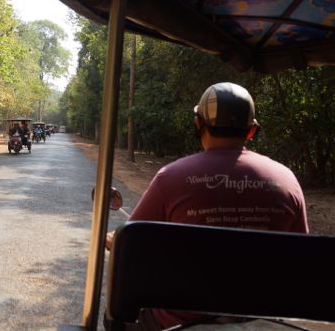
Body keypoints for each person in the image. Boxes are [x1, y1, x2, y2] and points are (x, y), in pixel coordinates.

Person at [107, 82, 309, 330]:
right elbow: (301, 261)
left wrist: (113, 241)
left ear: (198, 124)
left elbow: (133, 246)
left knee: (114, 317)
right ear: (251, 131)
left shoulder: (171, 177)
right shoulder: (287, 180)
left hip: (179, 322)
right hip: (262, 320)